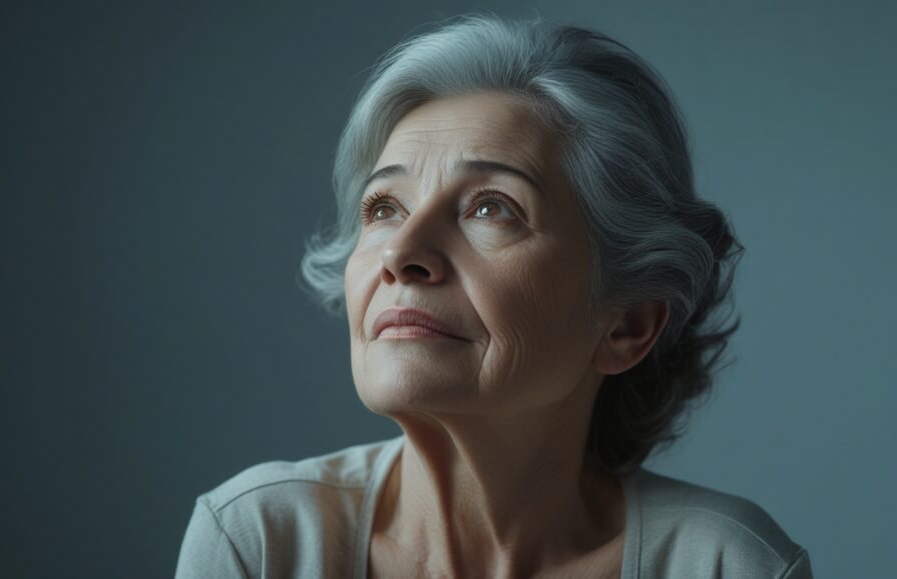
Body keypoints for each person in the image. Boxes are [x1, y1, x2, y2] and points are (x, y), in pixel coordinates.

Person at [175, 14, 813, 579]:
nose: (401, 255)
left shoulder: (730, 565)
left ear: (628, 324)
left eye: (490, 207)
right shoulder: (259, 543)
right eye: (383, 206)